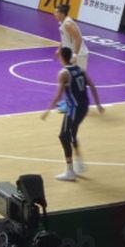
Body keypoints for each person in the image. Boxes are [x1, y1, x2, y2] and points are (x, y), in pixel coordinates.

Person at [41, 47, 103, 182]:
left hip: (74, 108)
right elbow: (92, 86)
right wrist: (98, 105)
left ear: (62, 56)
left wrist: (47, 111)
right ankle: (79, 162)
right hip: (84, 107)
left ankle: (70, 171)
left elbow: (58, 95)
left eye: (58, 53)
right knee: (72, 133)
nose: (57, 54)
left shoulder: (64, 73)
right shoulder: (80, 69)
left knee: (63, 136)